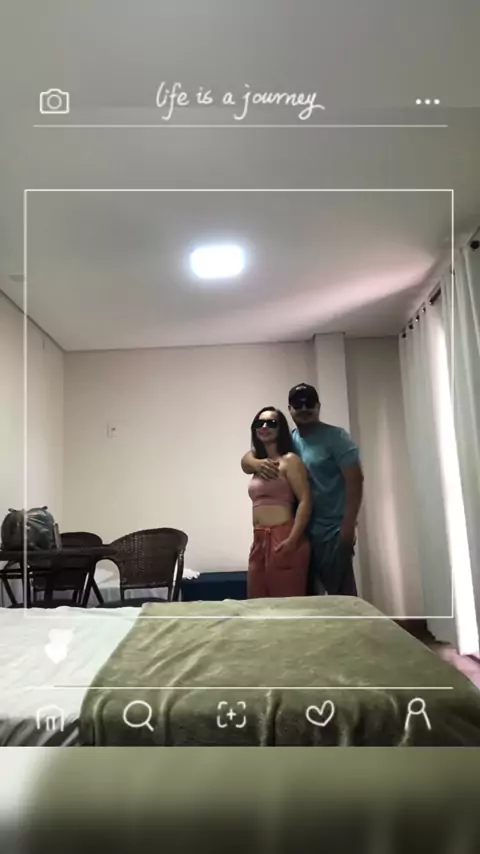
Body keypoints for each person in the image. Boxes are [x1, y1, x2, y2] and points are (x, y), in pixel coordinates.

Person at [242, 384, 363, 596]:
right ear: (290, 409)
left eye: (310, 403)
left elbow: (355, 479)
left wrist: (348, 524)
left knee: (341, 597)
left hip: (331, 531)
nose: (304, 408)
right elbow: (247, 459)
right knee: (303, 597)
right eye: (298, 404)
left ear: (318, 406)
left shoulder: (336, 437)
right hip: (298, 531)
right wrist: (257, 463)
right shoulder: (290, 441)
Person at [245, 406, 311, 599]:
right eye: (260, 423)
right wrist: (256, 463)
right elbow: (245, 461)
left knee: (286, 604)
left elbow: (306, 500)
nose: (264, 427)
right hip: (259, 539)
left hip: (283, 535)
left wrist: (292, 540)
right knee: (257, 603)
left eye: (271, 423)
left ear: (280, 428)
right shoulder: (256, 463)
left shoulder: (289, 460)